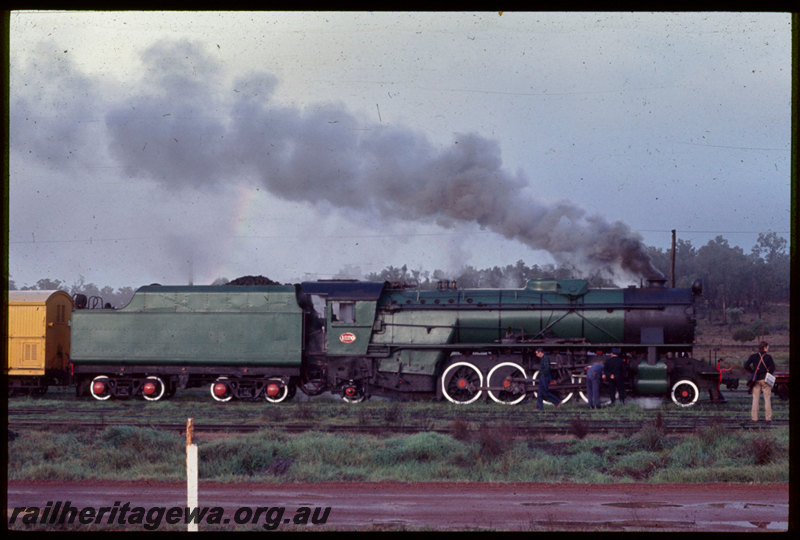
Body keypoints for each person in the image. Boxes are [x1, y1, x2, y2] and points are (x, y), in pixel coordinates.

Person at [743, 341, 776, 422]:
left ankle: (754, 418)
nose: (768, 348)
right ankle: (768, 418)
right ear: (765, 348)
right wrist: (768, 372)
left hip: (756, 380)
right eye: (767, 347)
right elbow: (772, 368)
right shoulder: (768, 357)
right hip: (765, 379)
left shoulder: (753, 356)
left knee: (755, 399)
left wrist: (753, 372)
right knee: (767, 399)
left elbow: (745, 366)